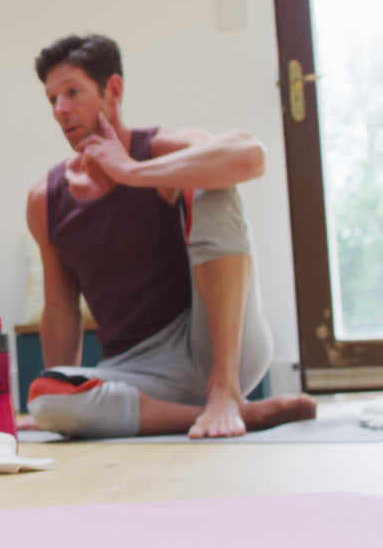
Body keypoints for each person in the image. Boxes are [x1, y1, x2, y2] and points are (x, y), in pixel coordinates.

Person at [22, 34, 317, 439]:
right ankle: (242, 415)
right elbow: (61, 307)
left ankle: (226, 394)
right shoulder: (46, 198)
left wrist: (133, 173)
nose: (61, 110)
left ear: (113, 90)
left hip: (213, 346)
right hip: (137, 372)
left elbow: (249, 156)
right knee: (46, 398)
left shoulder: (159, 150)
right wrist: (59, 384)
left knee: (215, 186)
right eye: (52, 99)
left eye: (72, 92)